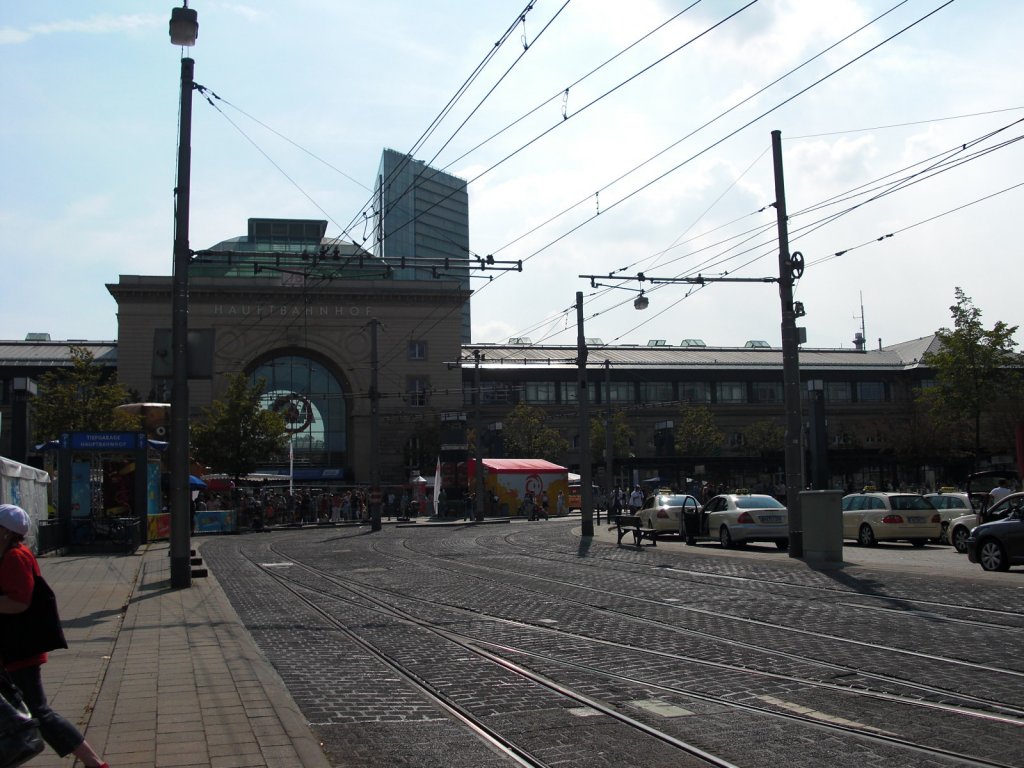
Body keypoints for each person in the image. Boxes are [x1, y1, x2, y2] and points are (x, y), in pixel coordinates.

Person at [0, 505, 109, 768]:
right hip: (14, 645)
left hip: (20, 648)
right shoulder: (9, 553)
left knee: (40, 712)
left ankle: (94, 762)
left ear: (5, 531)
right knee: (31, 709)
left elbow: (19, 602)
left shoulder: (16, 557)